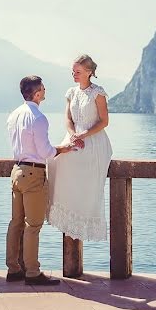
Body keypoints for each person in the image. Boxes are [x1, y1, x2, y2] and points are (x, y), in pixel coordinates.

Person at [6, 75, 82, 285]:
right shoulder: (38, 118)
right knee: (33, 225)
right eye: (43, 88)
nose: (46, 90)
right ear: (38, 93)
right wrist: (64, 149)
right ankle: (32, 272)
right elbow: (46, 152)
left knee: (16, 223)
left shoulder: (14, 115)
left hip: (17, 171)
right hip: (33, 173)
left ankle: (13, 269)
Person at [47, 54, 113, 242]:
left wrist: (84, 135)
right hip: (74, 137)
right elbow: (67, 118)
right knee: (54, 162)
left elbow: (104, 121)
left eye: (78, 71)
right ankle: (65, 214)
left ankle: (83, 213)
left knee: (82, 172)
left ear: (89, 72)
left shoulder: (97, 93)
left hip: (94, 139)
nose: (74, 75)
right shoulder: (71, 92)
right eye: (73, 71)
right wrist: (73, 133)